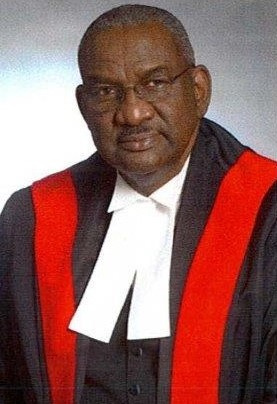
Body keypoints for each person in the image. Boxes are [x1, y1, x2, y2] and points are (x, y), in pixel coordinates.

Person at [0, 4, 276, 404]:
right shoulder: (30, 217)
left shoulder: (268, 211)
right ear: (82, 104)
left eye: (155, 83)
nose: (132, 113)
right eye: (106, 91)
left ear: (198, 90)